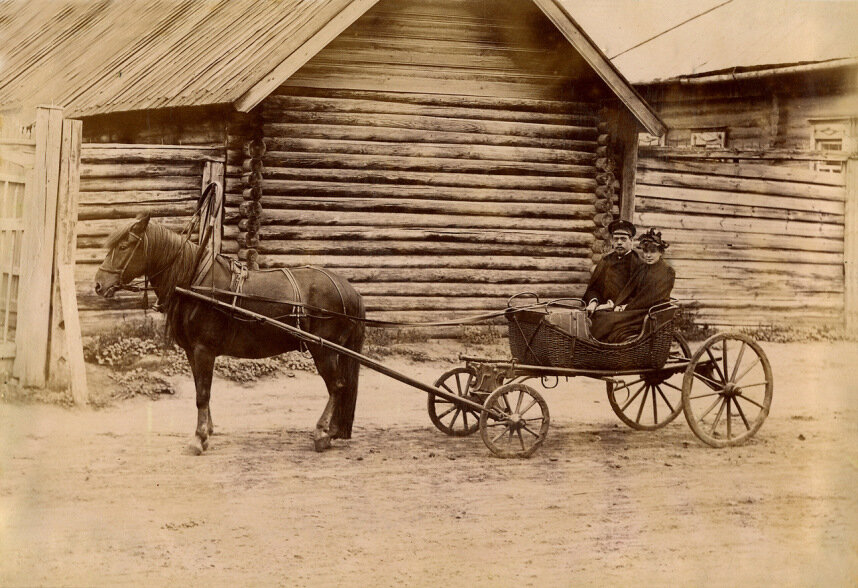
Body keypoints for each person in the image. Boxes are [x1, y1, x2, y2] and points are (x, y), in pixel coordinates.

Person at [589, 228, 675, 343]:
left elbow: (651, 297)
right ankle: (598, 347)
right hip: (636, 308)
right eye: (645, 251)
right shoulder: (643, 268)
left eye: (652, 251)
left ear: (661, 252)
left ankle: (602, 348)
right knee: (600, 315)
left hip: (650, 312)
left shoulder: (667, 271)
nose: (648, 255)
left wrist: (626, 307)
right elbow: (630, 289)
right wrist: (617, 304)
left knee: (609, 320)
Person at [583, 219, 642, 315]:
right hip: (601, 309)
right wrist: (593, 302)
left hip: (626, 312)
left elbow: (640, 295)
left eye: (623, 239)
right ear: (611, 241)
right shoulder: (605, 261)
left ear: (631, 241)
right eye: (616, 239)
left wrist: (615, 305)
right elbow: (594, 289)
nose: (619, 242)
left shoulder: (638, 264)